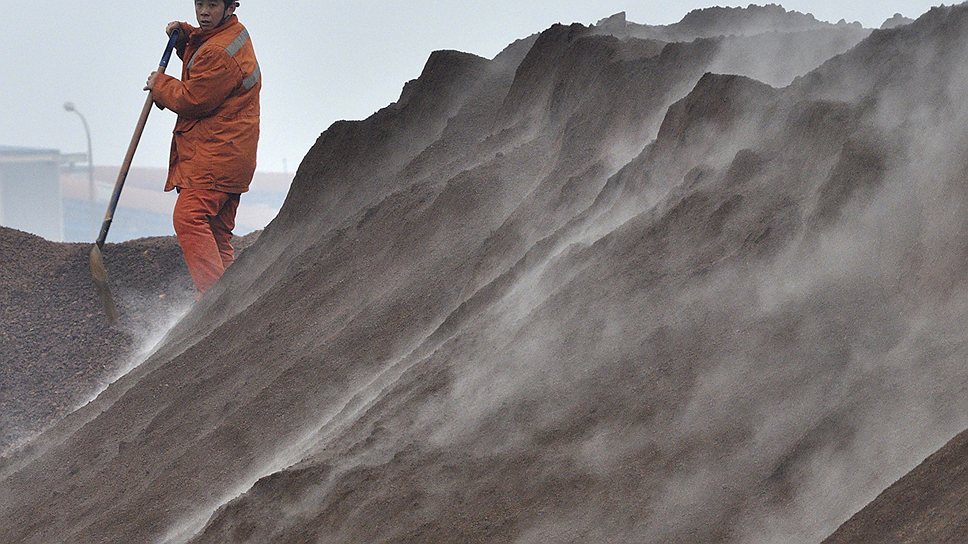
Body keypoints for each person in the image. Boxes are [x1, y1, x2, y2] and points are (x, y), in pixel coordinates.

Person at [144, 0, 261, 296]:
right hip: (231, 155)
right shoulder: (229, 36)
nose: (204, 12)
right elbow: (204, 62)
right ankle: (236, 304)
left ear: (230, 8)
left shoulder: (220, 52)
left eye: (212, 5)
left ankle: (214, 304)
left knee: (189, 217)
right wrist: (186, 37)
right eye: (200, 4)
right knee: (217, 234)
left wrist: (160, 85)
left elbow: (194, 99)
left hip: (216, 156)